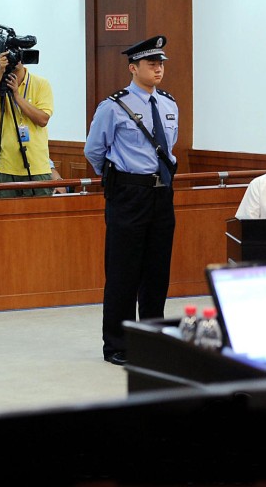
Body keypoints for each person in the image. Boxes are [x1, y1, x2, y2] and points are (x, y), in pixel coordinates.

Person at [84, 36, 179, 367]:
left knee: (157, 272)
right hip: (129, 194)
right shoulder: (113, 106)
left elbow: (169, 149)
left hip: (162, 194)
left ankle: (152, 338)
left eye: (161, 63)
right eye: (151, 63)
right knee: (123, 273)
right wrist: (122, 181)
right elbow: (94, 150)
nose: (158, 68)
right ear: (133, 67)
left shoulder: (168, 104)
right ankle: (118, 345)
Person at [0, 52, 54, 197]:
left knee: (39, 217)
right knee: (5, 218)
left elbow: (43, 119)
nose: (16, 58)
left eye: (18, 54)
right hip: (4, 166)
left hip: (36, 166)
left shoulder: (41, 83)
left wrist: (17, 96)